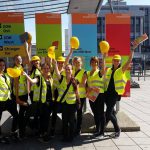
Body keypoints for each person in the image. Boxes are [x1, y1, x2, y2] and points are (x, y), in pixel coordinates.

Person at [104, 49, 134, 138]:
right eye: (115, 60)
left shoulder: (121, 70)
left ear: (120, 62)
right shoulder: (109, 70)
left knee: (108, 113)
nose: (116, 62)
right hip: (107, 93)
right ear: (112, 61)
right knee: (112, 112)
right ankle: (106, 128)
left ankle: (117, 129)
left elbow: (129, 61)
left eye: (118, 60)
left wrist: (132, 50)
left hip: (114, 94)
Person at [23, 63, 53, 142]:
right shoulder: (39, 77)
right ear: (41, 69)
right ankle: (44, 135)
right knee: (44, 120)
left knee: (45, 119)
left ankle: (42, 134)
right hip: (43, 103)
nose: (46, 70)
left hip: (49, 102)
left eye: (47, 68)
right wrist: (26, 75)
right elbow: (33, 81)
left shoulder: (49, 77)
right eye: (44, 68)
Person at [53, 60, 81, 142]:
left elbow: (77, 92)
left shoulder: (75, 80)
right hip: (64, 103)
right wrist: (55, 65)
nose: (68, 70)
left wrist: (78, 101)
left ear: (72, 70)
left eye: (69, 69)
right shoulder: (61, 79)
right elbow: (57, 72)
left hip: (72, 104)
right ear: (65, 70)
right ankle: (65, 136)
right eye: (67, 69)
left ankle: (71, 136)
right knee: (64, 120)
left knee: (72, 121)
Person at [86, 55, 106, 137]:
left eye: (96, 62)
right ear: (90, 63)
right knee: (95, 113)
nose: (94, 63)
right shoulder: (88, 73)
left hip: (100, 95)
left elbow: (104, 68)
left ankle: (102, 131)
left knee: (101, 113)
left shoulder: (99, 72)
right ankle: (97, 129)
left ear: (98, 63)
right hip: (92, 95)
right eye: (93, 62)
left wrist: (104, 57)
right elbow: (86, 84)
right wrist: (88, 88)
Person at [0, 59, 18, 143]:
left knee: (16, 115)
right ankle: (0, 136)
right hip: (0, 101)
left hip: (8, 100)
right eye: (0, 65)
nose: (2, 67)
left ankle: (13, 132)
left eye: (3, 65)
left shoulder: (5, 74)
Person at [13, 55, 28, 139]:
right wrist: (17, 98)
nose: (19, 60)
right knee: (22, 113)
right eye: (17, 60)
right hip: (20, 95)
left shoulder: (21, 68)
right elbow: (16, 84)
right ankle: (21, 132)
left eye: (20, 59)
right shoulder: (16, 70)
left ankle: (21, 131)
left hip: (24, 94)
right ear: (14, 61)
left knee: (23, 112)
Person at [72, 56, 87, 135]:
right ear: (73, 63)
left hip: (81, 96)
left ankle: (78, 129)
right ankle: (74, 126)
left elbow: (83, 84)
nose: (77, 63)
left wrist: (75, 83)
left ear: (81, 63)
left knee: (79, 112)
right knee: (73, 111)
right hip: (72, 95)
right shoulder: (72, 71)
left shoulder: (84, 72)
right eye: (75, 62)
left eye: (78, 62)